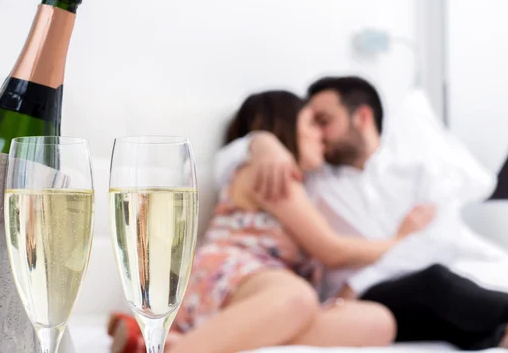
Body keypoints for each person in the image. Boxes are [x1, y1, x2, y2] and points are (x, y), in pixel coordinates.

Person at [109, 90, 432, 353]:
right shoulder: (270, 173)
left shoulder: (303, 182)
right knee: (297, 298)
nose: (320, 135)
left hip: (261, 295)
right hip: (227, 273)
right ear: (284, 126)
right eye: (311, 123)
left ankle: (183, 338)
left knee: (379, 322)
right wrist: (401, 239)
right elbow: (332, 250)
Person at [214, 76, 508, 350]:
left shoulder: (415, 171)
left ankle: (500, 334)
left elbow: (439, 239)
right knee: (435, 285)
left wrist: (358, 283)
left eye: (325, 120)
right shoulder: (309, 177)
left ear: (362, 117)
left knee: (432, 305)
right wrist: (262, 143)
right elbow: (229, 162)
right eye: (312, 123)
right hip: (333, 291)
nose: (319, 133)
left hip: (368, 291)